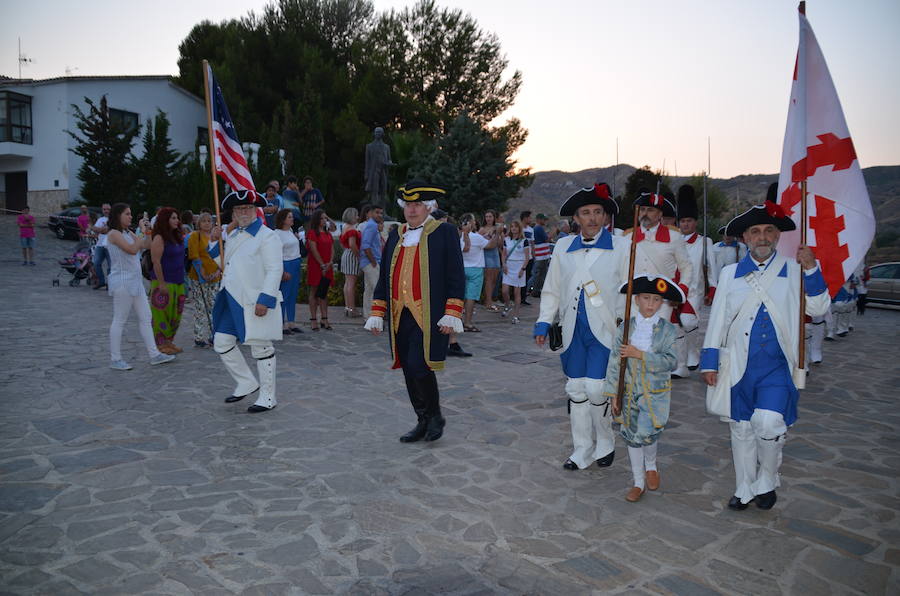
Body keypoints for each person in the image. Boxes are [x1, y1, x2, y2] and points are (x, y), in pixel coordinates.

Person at [701, 201, 830, 511]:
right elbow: (718, 319)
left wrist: (812, 268)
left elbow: (819, 308)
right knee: (741, 428)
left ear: (777, 236)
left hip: (777, 365)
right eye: (755, 232)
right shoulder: (731, 273)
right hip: (738, 365)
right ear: (745, 237)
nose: (762, 237)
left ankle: (767, 479)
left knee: (769, 423)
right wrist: (709, 361)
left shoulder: (795, 268)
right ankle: (744, 486)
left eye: (768, 231)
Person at [534, 183, 627, 471]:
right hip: (573, 329)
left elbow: (628, 292)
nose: (592, 218)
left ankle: (605, 441)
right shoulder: (563, 246)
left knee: (598, 389)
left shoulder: (623, 247)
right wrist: (543, 321)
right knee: (576, 388)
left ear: (606, 216)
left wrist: (628, 327)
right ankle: (582, 449)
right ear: (576, 218)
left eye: (598, 212)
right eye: (585, 213)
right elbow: (553, 288)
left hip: (605, 330)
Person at [365, 179, 465, 443]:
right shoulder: (397, 234)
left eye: (417, 204)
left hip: (430, 313)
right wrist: (378, 310)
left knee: (421, 366)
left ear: (429, 207)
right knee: (409, 368)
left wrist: (452, 312)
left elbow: (456, 275)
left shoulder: (444, 233)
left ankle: (435, 416)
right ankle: (422, 419)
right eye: (408, 204)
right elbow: (385, 274)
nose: (412, 210)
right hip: (401, 313)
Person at [603, 275, 682, 502]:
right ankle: (638, 481)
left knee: (648, 433)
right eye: (646, 298)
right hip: (627, 392)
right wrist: (613, 395)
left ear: (662, 303)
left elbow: (670, 361)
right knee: (631, 435)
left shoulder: (667, 330)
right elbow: (614, 362)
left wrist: (641, 355)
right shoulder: (625, 328)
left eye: (656, 300)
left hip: (654, 394)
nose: (650, 304)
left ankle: (651, 465)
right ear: (636, 300)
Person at [209, 190, 284, 413]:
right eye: (239, 209)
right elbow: (225, 265)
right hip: (231, 298)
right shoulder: (233, 235)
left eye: (247, 208)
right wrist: (216, 241)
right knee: (222, 342)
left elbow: (274, 269)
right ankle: (246, 383)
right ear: (233, 213)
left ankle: (268, 397)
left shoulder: (267, 235)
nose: (243, 212)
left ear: (255, 210)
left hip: (254, 300)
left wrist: (266, 299)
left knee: (261, 347)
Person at [105, 203, 175, 370]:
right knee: (119, 320)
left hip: (135, 282)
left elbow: (147, 245)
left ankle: (154, 354)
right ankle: (115, 359)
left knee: (146, 317)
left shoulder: (127, 232)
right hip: (122, 282)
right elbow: (130, 250)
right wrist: (141, 235)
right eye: (127, 214)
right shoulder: (113, 234)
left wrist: (149, 231)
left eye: (131, 214)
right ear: (118, 216)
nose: (130, 216)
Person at [622, 191, 692, 325]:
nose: (645, 213)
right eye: (642, 209)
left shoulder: (674, 237)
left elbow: (686, 267)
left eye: (650, 210)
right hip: (634, 298)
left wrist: (681, 290)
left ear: (660, 214)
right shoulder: (627, 238)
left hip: (663, 297)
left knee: (659, 340)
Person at [671, 185, 715, 378]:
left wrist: (712, 288)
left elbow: (711, 267)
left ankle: (692, 351)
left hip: (694, 291)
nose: (685, 224)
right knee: (676, 326)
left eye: (689, 221)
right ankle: (680, 365)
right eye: (682, 221)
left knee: (688, 321)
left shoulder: (705, 242)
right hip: (674, 290)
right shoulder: (673, 240)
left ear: (695, 222)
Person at [149, 208, 187, 354]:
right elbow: (156, 262)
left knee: (175, 314)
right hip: (164, 281)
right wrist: (161, 283)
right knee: (161, 314)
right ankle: (161, 344)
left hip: (178, 281)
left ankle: (169, 341)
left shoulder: (176, 236)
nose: (176, 220)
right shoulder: (159, 237)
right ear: (165, 220)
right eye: (173, 218)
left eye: (177, 218)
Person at [187, 213, 222, 348]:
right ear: (199, 223)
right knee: (200, 306)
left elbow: (222, 254)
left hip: (215, 276)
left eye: (209, 221)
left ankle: (214, 335)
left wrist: (218, 271)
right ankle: (199, 336)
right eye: (204, 221)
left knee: (213, 305)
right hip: (198, 276)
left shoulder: (216, 237)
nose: (207, 223)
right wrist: (202, 272)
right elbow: (194, 255)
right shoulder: (195, 236)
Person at [459, 213, 492, 332]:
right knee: (470, 297)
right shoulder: (476, 237)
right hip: (476, 269)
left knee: (460, 297)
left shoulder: (458, 236)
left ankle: (458, 321)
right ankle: (467, 322)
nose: (474, 223)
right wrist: (496, 234)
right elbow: (491, 245)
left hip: (462, 268)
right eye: (473, 221)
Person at [274, 208, 303, 334]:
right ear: (283, 220)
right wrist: (281, 271)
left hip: (296, 262)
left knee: (293, 294)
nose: (292, 219)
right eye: (289, 217)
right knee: (284, 295)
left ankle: (291, 321)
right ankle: (281, 323)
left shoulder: (291, 231)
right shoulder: (277, 234)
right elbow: (276, 254)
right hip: (286, 264)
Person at [306, 209, 334, 331]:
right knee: (314, 291)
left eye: (325, 218)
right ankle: (313, 319)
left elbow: (332, 248)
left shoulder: (328, 233)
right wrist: (322, 265)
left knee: (324, 293)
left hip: (327, 266)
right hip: (316, 266)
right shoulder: (312, 233)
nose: (324, 220)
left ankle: (324, 318)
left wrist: (330, 262)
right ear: (317, 219)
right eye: (322, 218)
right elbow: (313, 250)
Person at [500, 220, 531, 324]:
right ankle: (508, 305)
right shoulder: (506, 239)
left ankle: (516, 316)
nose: (513, 228)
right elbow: (503, 254)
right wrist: (503, 264)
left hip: (519, 267)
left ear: (519, 228)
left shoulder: (524, 241)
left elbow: (527, 257)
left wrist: (523, 269)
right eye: (512, 226)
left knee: (516, 292)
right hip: (508, 267)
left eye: (516, 227)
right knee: (504, 291)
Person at [359, 204, 384, 318]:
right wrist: (373, 261)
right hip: (370, 262)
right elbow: (366, 245)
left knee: (369, 290)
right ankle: (375, 317)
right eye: (377, 212)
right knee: (376, 289)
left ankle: (368, 316)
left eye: (381, 213)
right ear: (371, 213)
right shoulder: (372, 226)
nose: (379, 215)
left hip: (370, 261)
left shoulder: (373, 226)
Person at [339, 207, 363, 317]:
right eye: (356, 215)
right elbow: (352, 244)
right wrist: (359, 256)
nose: (358, 217)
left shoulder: (344, 227)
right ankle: (352, 309)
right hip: (352, 255)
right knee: (351, 284)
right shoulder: (352, 229)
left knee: (347, 283)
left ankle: (348, 307)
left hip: (346, 254)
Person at [479, 209, 503, 312]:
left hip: (495, 254)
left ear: (494, 218)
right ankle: (488, 302)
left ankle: (490, 300)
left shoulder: (497, 228)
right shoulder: (482, 229)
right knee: (488, 279)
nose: (488, 218)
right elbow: (479, 243)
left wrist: (499, 234)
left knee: (494, 279)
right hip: (486, 254)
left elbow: (501, 244)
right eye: (487, 216)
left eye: (490, 216)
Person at [528, 213, 551, 297]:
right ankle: (532, 290)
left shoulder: (537, 228)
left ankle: (535, 290)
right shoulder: (539, 228)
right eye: (543, 219)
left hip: (541, 255)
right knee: (538, 274)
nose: (545, 221)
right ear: (538, 219)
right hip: (541, 255)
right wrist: (552, 233)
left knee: (538, 274)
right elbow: (546, 239)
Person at [91, 203, 112, 289]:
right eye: (104, 209)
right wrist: (102, 230)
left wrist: (100, 230)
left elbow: (107, 230)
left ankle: (109, 283)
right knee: (96, 263)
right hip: (100, 245)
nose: (106, 211)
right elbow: (94, 229)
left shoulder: (114, 219)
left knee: (111, 265)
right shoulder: (100, 219)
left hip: (110, 245)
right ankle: (101, 281)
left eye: (108, 209)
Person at [519, 211, 534, 306]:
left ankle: (523, 297)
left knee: (527, 277)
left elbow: (532, 243)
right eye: (529, 217)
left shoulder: (531, 229)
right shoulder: (518, 228)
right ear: (525, 218)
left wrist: (533, 254)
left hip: (529, 257)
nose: (530, 219)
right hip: (520, 257)